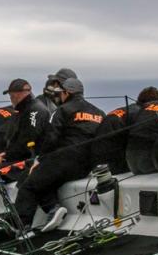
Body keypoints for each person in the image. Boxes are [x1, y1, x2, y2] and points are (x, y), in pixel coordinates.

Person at [14, 77, 105, 231]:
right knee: (43, 179)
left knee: (28, 184)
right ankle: (52, 208)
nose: (59, 96)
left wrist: (39, 160)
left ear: (67, 92)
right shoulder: (100, 113)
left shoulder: (62, 110)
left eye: (61, 93)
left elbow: (51, 138)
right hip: (85, 166)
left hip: (64, 160)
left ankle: (22, 230)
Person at [91, 86, 158, 174]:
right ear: (153, 104)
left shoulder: (127, 110)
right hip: (112, 163)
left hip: (98, 158)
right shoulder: (140, 114)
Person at [0, 78, 50, 168]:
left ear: (21, 94)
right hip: (19, 158)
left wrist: (6, 157)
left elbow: (29, 143)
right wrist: (3, 155)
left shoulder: (35, 111)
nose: (11, 99)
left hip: (32, 161)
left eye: (12, 96)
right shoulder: (20, 111)